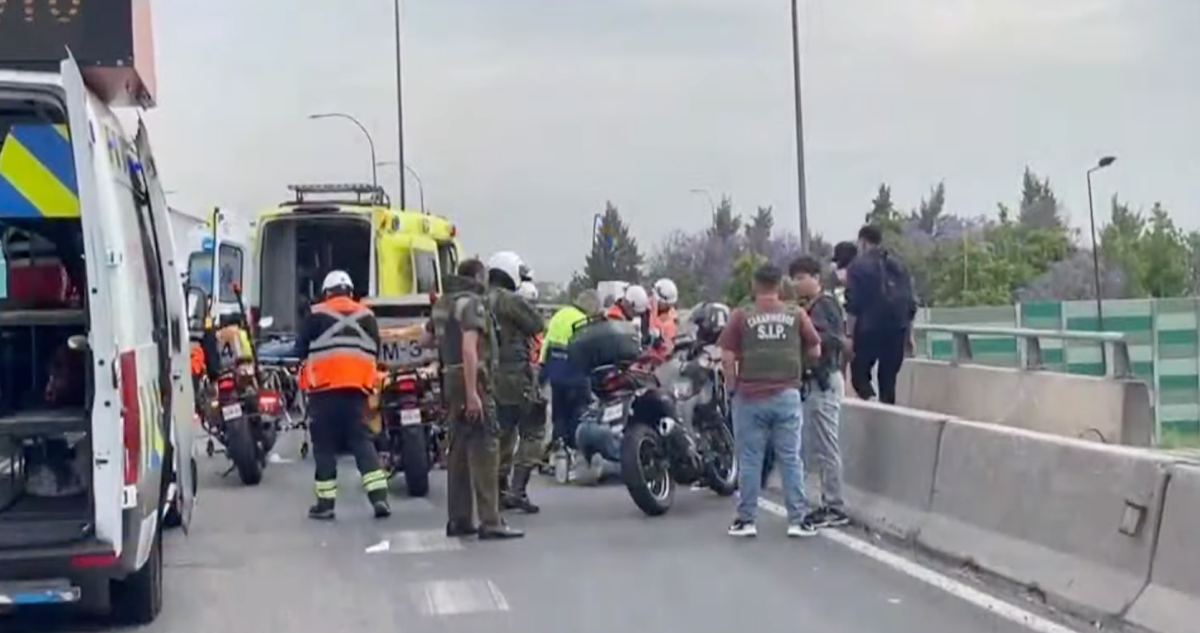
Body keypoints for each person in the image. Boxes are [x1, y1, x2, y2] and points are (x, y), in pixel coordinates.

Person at [718, 263, 822, 538]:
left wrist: (732, 386)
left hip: (750, 396)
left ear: (754, 285)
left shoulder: (741, 315)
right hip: (787, 394)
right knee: (790, 459)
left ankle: (746, 520)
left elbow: (727, 355)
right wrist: (801, 367)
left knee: (750, 459)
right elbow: (815, 348)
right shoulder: (796, 314)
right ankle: (798, 520)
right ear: (779, 285)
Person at [427, 258, 523, 539]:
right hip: (472, 379)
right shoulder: (472, 304)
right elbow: (470, 348)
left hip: (450, 378)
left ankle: (459, 519)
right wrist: (473, 394)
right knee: (485, 450)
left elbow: (425, 339)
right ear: (478, 277)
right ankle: (490, 521)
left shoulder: (442, 304)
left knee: (457, 451)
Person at [294, 270, 391, 520]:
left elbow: (299, 351)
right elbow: (376, 350)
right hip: (357, 390)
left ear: (326, 293)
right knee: (361, 441)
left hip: (323, 391)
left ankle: (325, 505)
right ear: (350, 291)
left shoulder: (315, 314)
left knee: (324, 446)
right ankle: (379, 498)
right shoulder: (367, 316)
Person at [789, 255, 851, 528]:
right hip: (811, 384)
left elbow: (832, 339)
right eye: (794, 278)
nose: (797, 283)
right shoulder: (807, 306)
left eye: (802, 277)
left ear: (816, 278)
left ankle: (835, 506)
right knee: (809, 447)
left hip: (823, 381)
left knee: (827, 447)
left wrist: (806, 337)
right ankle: (818, 501)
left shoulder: (824, 304)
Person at [485, 252, 546, 514]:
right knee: (534, 430)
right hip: (515, 375)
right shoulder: (508, 300)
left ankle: (498, 490)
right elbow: (536, 324)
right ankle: (517, 489)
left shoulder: (480, 299)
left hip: (490, 375)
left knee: (503, 432)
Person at [844, 225, 917, 404]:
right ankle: (887, 410)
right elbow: (910, 302)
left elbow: (853, 304)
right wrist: (909, 335)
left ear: (862, 242)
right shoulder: (899, 265)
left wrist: (849, 335)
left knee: (859, 375)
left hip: (869, 328)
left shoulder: (857, 266)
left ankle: (872, 402)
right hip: (898, 327)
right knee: (888, 379)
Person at [540, 290, 601, 454]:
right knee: (579, 410)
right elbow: (589, 350)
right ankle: (574, 448)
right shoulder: (583, 321)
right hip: (575, 373)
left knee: (559, 412)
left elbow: (547, 342)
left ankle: (558, 446)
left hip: (555, 370)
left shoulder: (560, 314)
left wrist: (543, 369)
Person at [651, 278, 679, 352]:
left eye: (669, 304)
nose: (667, 306)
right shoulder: (645, 306)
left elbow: (669, 344)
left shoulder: (671, 319)